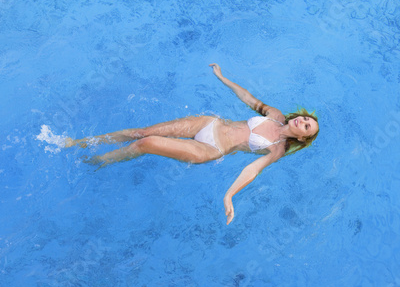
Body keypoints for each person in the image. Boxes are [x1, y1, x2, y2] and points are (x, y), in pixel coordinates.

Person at [65, 64, 319, 224]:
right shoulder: (275, 114)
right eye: (305, 119)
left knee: (146, 144)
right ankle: (82, 143)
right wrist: (223, 77)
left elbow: (252, 171)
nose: (303, 122)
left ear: (301, 138)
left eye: (307, 127)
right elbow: (249, 99)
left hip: (210, 150)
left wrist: (230, 195)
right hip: (209, 124)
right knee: (140, 132)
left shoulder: (276, 149)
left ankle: (96, 162)